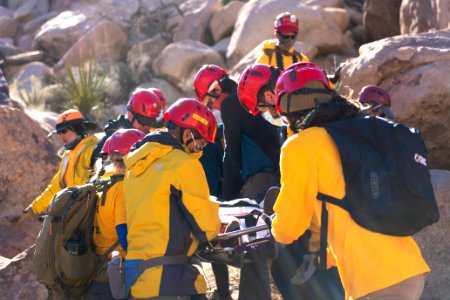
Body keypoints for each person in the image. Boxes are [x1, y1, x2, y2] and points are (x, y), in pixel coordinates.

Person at [270, 62, 430, 300]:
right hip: (409, 268)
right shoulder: (359, 130)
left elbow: (288, 228)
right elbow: (352, 204)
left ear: (289, 108)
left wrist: (273, 228)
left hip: (373, 281)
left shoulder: (299, 147)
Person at [194, 64, 281, 300]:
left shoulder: (232, 104)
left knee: (252, 242)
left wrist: (229, 201)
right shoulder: (245, 101)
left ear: (215, 90)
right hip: (277, 171)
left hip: (263, 175)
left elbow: (231, 155)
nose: (213, 109)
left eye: (210, 103)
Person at [123, 98, 221, 299]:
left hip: (136, 281)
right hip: (171, 280)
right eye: (200, 142)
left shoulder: (135, 167)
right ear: (187, 134)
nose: (200, 150)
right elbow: (206, 227)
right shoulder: (184, 165)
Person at [85, 128, 145, 300]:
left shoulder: (101, 181)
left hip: (98, 266)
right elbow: (124, 236)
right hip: (117, 272)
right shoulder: (122, 188)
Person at [23, 109, 98, 215]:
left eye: (64, 131)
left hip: (89, 215)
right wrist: (33, 208)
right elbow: (55, 187)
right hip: (75, 215)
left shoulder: (92, 149)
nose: (61, 136)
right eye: (59, 133)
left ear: (77, 128)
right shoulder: (68, 156)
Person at [92, 88, 163, 162]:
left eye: (151, 122)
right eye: (143, 121)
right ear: (130, 115)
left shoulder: (150, 138)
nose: (147, 126)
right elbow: (96, 166)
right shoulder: (111, 138)